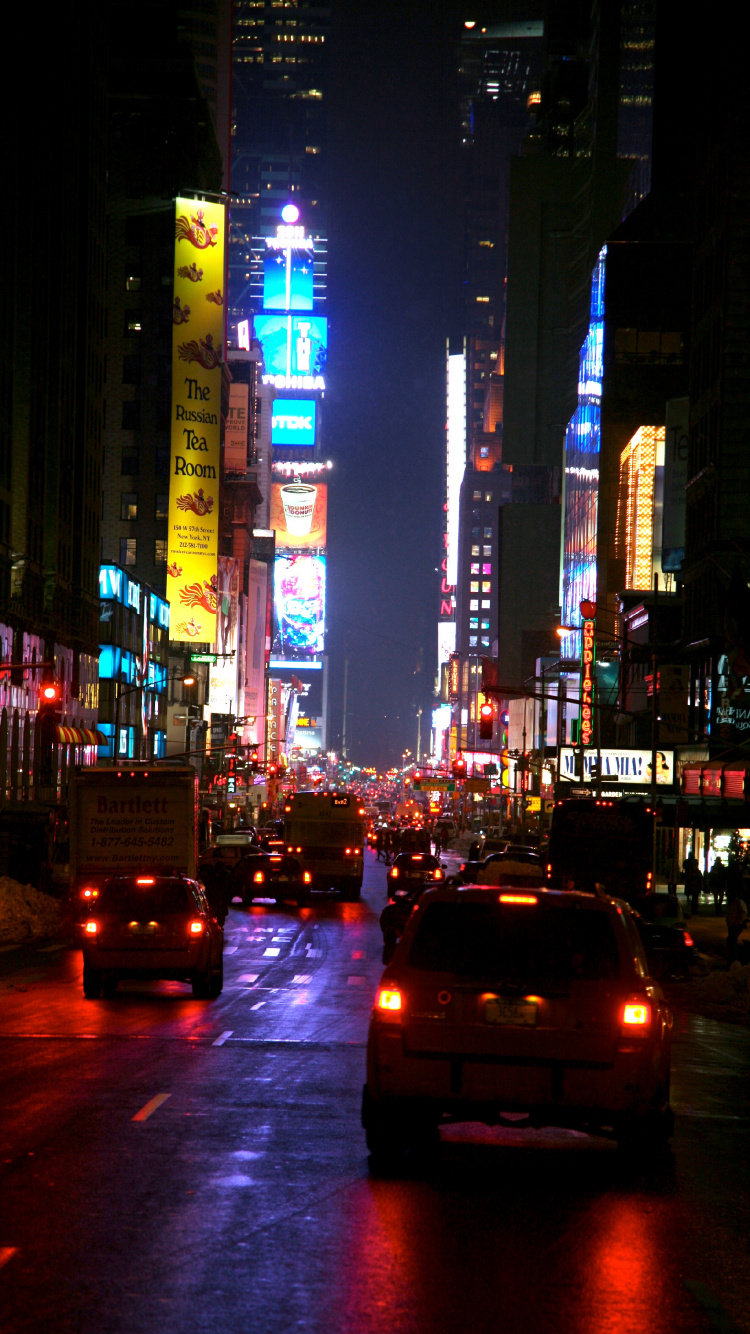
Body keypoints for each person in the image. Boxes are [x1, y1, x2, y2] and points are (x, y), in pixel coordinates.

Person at [725, 890, 748, 964]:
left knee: (731, 940)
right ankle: (733, 955)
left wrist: (740, 921)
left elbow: (743, 912)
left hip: (736, 924)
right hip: (732, 924)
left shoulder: (738, 902)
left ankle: (734, 956)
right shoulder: (733, 903)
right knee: (731, 940)